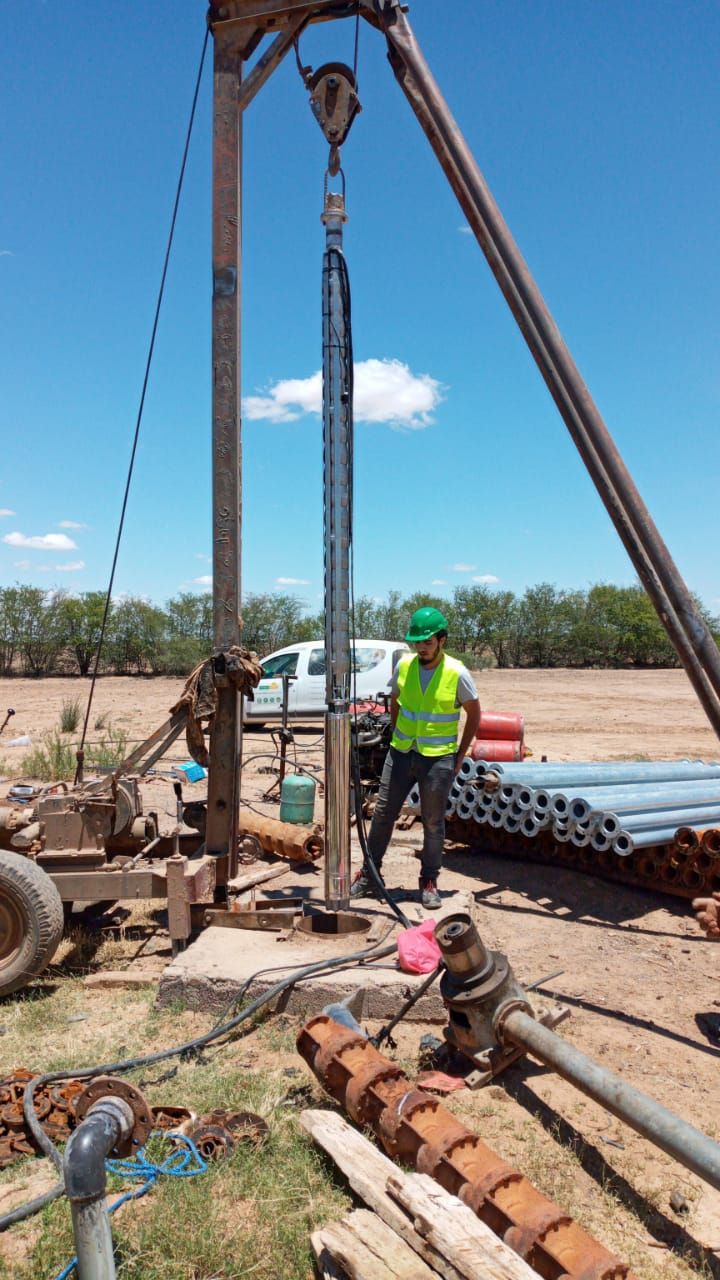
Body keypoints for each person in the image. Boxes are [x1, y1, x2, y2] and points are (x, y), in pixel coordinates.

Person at [350, 606, 480, 909]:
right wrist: (397, 735)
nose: (422, 648)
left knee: (433, 822)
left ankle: (429, 880)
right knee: (383, 813)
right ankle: (370, 875)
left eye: (428, 642)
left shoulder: (457, 672)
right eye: (417, 642)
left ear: (442, 640)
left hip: (438, 759)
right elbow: (394, 701)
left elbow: (475, 714)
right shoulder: (405, 666)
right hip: (401, 752)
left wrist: (459, 755)